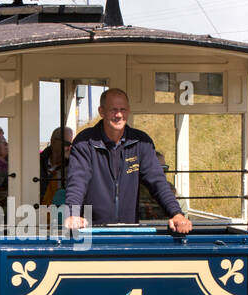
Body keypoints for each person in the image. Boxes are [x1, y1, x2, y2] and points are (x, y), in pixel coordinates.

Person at [64, 89, 192, 233]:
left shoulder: (141, 143)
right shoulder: (84, 142)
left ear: (129, 111)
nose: (119, 115)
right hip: (93, 233)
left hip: (130, 233)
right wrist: (72, 213)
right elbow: (77, 181)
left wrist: (176, 213)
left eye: (123, 109)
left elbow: (158, 181)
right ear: (101, 111)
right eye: (113, 110)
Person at [39, 126, 72, 204]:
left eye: (71, 144)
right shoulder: (36, 162)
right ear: (53, 142)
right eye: (67, 143)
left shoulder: (72, 166)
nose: (69, 148)